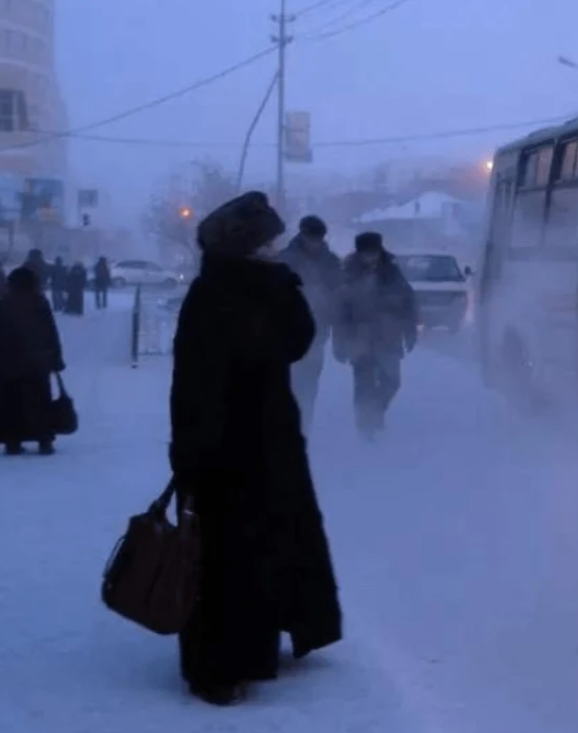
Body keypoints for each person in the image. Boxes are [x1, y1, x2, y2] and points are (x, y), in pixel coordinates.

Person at [169, 191, 342, 706]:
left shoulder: (219, 290)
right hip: (239, 444)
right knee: (236, 554)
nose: (273, 250)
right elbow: (289, 343)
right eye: (266, 242)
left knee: (246, 549)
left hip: (239, 443)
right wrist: (281, 287)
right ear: (246, 246)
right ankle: (223, 667)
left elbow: (293, 344)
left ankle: (244, 655)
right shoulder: (244, 292)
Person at [332, 231, 418, 438]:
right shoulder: (349, 273)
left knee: (392, 381)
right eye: (366, 253)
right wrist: (339, 343)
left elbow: (408, 303)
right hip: (359, 338)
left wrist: (410, 331)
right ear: (359, 253)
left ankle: (375, 412)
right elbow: (340, 312)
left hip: (388, 336)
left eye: (373, 252)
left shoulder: (392, 272)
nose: (370, 257)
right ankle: (365, 427)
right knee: (364, 384)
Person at [0, 266, 65, 456]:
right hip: (36, 361)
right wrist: (56, 358)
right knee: (39, 402)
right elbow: (50, 331)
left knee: (11, 402)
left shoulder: (4, 303)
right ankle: (44, 440)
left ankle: (13, 441)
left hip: (8, 361)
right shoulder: (39, 302)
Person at [276, 215, 343, 431]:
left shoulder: (331, 262)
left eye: (318, 238)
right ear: (302, 235)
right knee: (289, 379)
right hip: (287, 330)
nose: (314, 242)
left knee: (310, 379)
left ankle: (305, 422)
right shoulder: (285, 259)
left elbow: (339, 293)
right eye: (310, 237)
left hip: (317, 330)